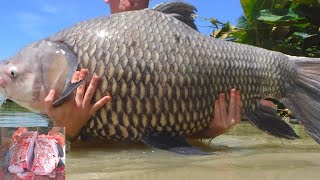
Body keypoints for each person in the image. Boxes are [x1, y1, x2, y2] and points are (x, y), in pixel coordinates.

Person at [45, 0, 256, 141]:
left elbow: (184, 141)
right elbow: (49, 159)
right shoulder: (75, 49)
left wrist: (213, 130)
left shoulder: (182, 45)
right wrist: (68, 128)